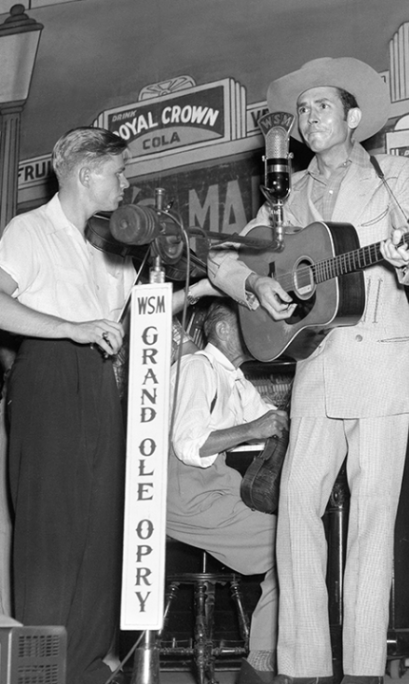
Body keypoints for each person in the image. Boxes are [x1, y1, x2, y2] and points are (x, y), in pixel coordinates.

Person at [206, 57, 409, 684]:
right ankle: (301, 666)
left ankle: (361, 670)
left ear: (353, 118)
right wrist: (256, 284)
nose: (309, 119)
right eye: (302, 111)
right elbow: (224, 259)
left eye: (322, 107)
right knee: (296, 504)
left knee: (371, 519)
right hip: (315, 363)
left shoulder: (398, 176)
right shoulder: (287, 194)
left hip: (382, 358)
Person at [0, 127, 135, 684]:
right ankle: (39, 675)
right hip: (49, 378)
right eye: (118, 172)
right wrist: (69, 328)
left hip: (101, 386)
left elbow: (139, 309)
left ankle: (80, 669)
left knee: (101, 533)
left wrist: (213, 286)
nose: (126, 184)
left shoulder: (105, 247)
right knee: (51, 538)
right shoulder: (29, 230)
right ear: (86, 174)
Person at [167, 299, 288, 684]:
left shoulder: (235, 379)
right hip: (185, 490)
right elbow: (189, 445)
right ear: (221, 330)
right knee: (291, 548)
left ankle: (267, 665)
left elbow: (269, 419)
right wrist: (253, 430)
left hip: (215, 489)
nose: (259, 327)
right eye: (248, 322)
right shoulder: (197, 368)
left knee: (298, 543)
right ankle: (261, 670)